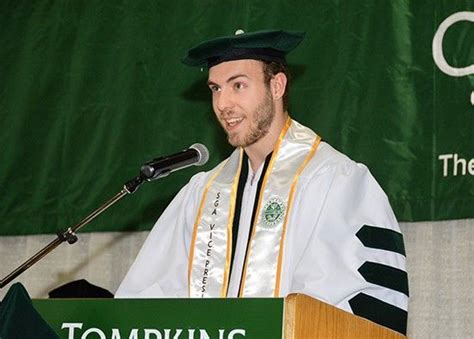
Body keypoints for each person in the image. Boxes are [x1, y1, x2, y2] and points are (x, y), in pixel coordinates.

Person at [116, 29, 409, 335]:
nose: (223, 103)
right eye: (215, 89)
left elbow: (365, 309)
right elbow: (144, 305)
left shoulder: (338, 182)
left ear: (277, 85)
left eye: (238, 85)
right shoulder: (202, 193)